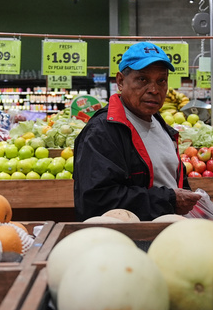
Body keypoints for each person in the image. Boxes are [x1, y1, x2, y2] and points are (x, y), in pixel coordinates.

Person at [73, 41, 202, 221]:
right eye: (143, 79)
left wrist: (185, 198)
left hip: (168, 235)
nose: (154, 90)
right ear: (120, 81)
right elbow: (96, 201)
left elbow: (170, 180)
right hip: (128, 240)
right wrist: (170, 199)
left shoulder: (160, 124)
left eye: (161, 80)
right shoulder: (102, 131)